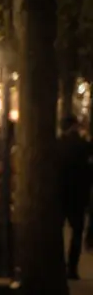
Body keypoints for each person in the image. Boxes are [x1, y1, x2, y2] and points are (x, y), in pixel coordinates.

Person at [58, 115, 92, 278]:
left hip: (59, 193)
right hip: (78, 194)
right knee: (77, 232)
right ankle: (72, 268)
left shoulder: (57, 145)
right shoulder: (84, 146)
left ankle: (59, 264)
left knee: (57, 230)